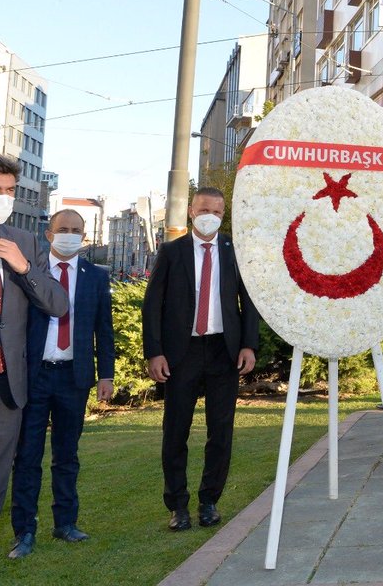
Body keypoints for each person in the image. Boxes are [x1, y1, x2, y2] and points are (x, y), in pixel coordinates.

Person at [141, 187, 260, 531]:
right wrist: (155, 352)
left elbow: (248, 302)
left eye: (218, 211)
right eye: (205, 208)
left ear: (224, 214)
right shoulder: (171, 252)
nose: (211, 215)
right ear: (192, 211)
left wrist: (248, 345)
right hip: (182, 353)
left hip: (224, 352)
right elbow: (153, 306)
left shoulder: (235, 252)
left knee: (220, 431)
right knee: (175, 431)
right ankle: (177, 506)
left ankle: (209, 501)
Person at [8, 210, 114, 559]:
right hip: (34, 376)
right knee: (28, 456)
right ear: (48, 234)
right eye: (62, 229)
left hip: (74, 377)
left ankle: (65, 523)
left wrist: (106, 374)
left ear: (85, 236)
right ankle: (24, 531)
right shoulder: (28, 271)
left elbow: (104, 330)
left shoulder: (97, 277)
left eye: (76, 230)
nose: (69, 235)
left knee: (67, 455)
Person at [0, 156, 69, 544]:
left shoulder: (23, 242)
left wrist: (24, 268)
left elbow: (58, 304)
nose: (5, 198)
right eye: (0, 191)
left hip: (7, 383)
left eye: (9, 191)